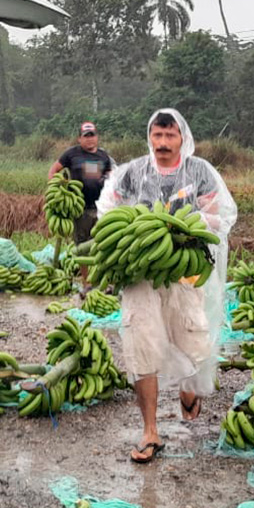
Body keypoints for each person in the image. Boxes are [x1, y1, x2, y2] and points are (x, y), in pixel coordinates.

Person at [95, 109, 237, 464]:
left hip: (183, 271)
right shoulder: (133, 171)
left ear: (182, 138)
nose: (162, 143)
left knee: (192, 341)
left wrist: (189, 221)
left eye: (169, 136)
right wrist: (135, 229)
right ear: (150, 137)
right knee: (140, 345)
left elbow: (222, 216)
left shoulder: (199, 171)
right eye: (157, 136)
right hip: (140, 270)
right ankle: (150, 432)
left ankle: (189, 390)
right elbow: (106, 207)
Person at [49, 121, 114, 246]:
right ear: (79, 138)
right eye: (86, 136)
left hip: (101, 207)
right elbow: (54, 169)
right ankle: (82, 266)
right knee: (82, 246)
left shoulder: (103, 156)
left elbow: (111, 176)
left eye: (92, 135)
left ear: (97, 137)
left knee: (100, 244)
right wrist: (55, 189)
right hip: (81, 209)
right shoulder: (72, 154)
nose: (90, 139)